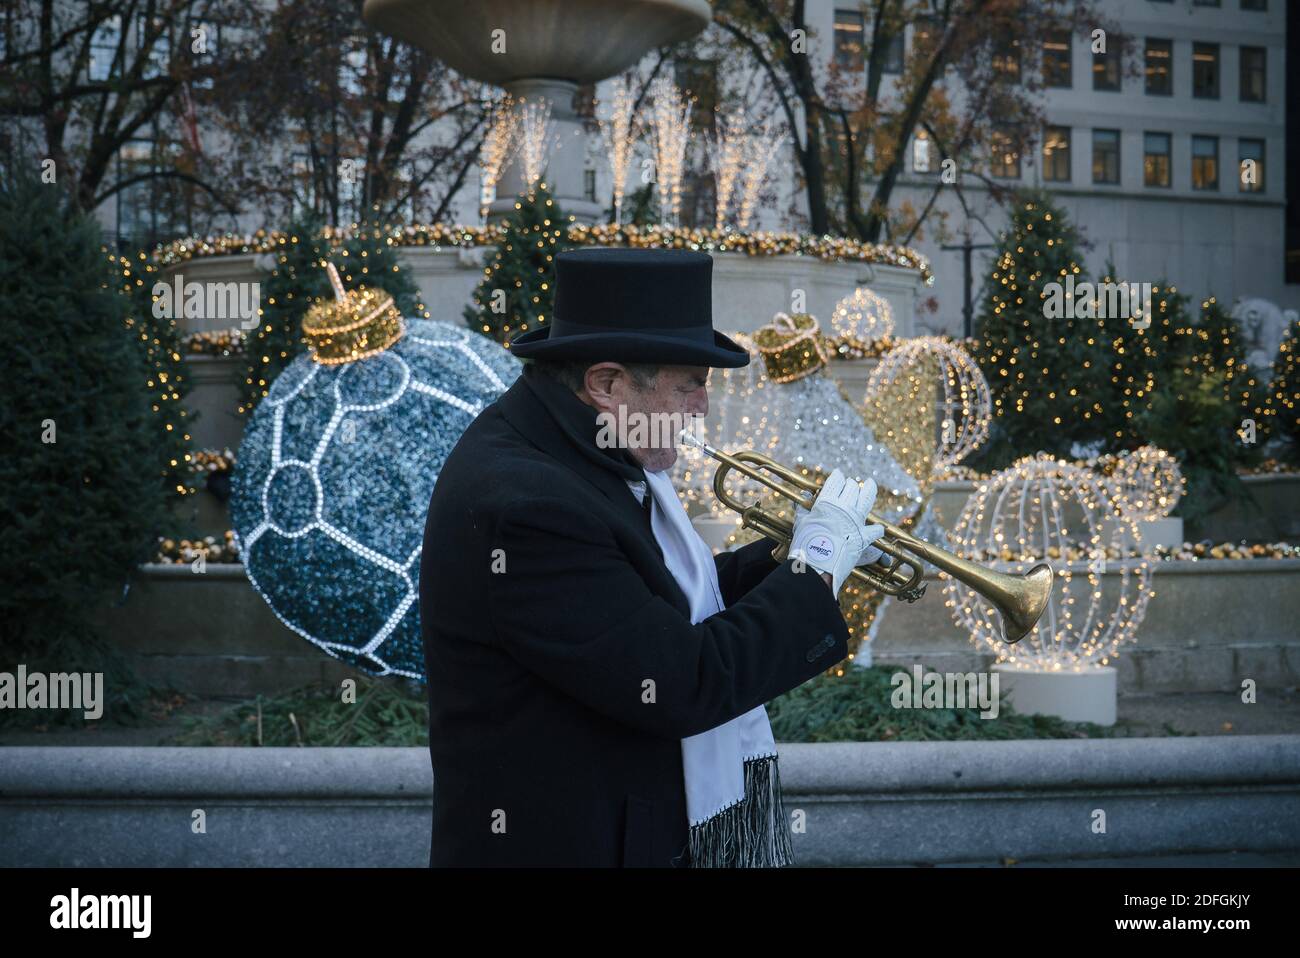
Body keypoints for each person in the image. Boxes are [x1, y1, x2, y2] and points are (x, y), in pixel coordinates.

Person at [418, 247, 885, 867]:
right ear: (607, 384)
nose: (703, 411)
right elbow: (681, 682)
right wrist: (815, 565)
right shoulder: (532, 505)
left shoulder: (571, 447)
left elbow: (639, 605)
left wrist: (785, 558)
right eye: (690, 385)